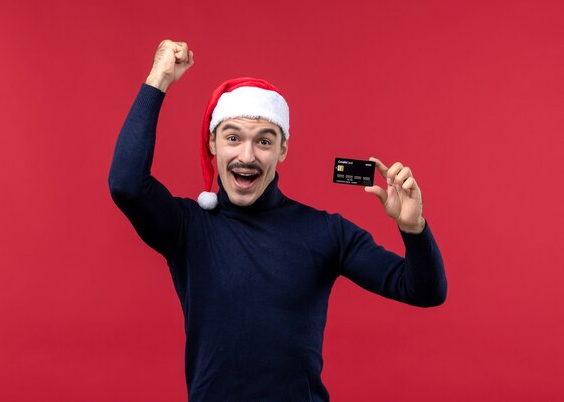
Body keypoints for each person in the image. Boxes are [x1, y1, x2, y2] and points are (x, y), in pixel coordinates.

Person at [108, 39, 447, 402]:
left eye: (264, 142)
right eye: (233, 138)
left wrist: (414, 228)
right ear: (213, 144)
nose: (247, 155)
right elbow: (127, 183)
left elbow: (424, 291)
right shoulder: (188, 228)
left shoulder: (326, 232)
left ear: (282, 149)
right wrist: (158, 79)